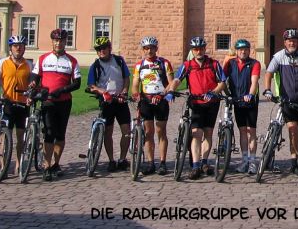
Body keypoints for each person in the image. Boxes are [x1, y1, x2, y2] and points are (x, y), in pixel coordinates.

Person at [166, 36, 227, 180]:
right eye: (195, 49)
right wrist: (170, 91)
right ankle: (195, 165)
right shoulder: (188, 65)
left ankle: (205, 162)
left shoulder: (213, 64)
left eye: (201, 48)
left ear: (205, 49)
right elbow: (176, 79)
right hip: (196, 103)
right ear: (192, 51)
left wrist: (213, 92)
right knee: (196, 133)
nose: (198, 51)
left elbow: (222, 83)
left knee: (208, 133)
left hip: (211, 102)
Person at [262, 28, 298, 176]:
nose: (292, 43)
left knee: (295, 134)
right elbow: (268, 73)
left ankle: (294, 162)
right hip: (285, 100)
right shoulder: (279, 57)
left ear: (297, 42)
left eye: (294, 40)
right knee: (293, 130)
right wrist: (268, 90)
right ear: (285, 42)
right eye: (289, 40)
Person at [29, 28, 81, 181]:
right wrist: (32, 83)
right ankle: (46, 165)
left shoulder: (72, 61)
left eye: (61, 40)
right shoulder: (43, 58)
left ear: (66, 42)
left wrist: (63, 89)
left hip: (64, 101)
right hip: (48, 101)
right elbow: (35, 76)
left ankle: (56, 163)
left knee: (60, 134)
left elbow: (77, 83)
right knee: (49, 133)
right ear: (52, 41)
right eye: (56, 40)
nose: (58, 43)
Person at [0, 34, 33, 176]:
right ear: (11, 48)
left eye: (21, 46)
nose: (18, 48)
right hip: (7, 103)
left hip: (23, 105)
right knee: (3, 137)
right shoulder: (3, 63)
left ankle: (18, 163)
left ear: (24, 48)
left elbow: (32, 84)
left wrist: (30, 96)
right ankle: (3, 165)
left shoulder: (29, 65)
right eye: (15, 46)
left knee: (20, 137)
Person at [130, 36, 174, 175]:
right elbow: (135, 84)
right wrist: (135, 94)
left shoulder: (164, 63)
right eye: (146, 48)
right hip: (146, 101)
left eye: (151, 48)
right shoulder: (139, 65)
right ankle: (150, 163)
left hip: (160, 100)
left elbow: (171, 83)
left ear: (156, 49)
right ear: (143, 49)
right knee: (149, 133)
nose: (149, 51)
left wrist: (162, 95)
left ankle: (162, 162)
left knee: (161, 132)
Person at [86, 36, 131, 172]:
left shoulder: (119, 61)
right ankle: (111, 160)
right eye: (98, 49)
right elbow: (91, 85)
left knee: (126, 132)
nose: (101, 51)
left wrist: (124, 91)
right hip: (106, 102)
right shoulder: (95, 66)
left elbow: (126, 78)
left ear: (109, 48)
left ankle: (122, 159)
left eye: (104, 48)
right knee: (108, 133)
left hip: (120, 100)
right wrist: (101, 91)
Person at [222, 39, 261, 175]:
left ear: (249, 51)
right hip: (237, 101)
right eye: (240, 50)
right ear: (237, 51)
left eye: (245, 49)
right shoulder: (230, 64)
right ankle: (244, 160)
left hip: (250, 102)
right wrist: (226, 94)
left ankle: (252, 161)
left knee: (251, 131)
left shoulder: (254, 63)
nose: (243, 51)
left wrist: (250, 94)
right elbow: (222, 79)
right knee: (242, 131)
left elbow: (254, 81)